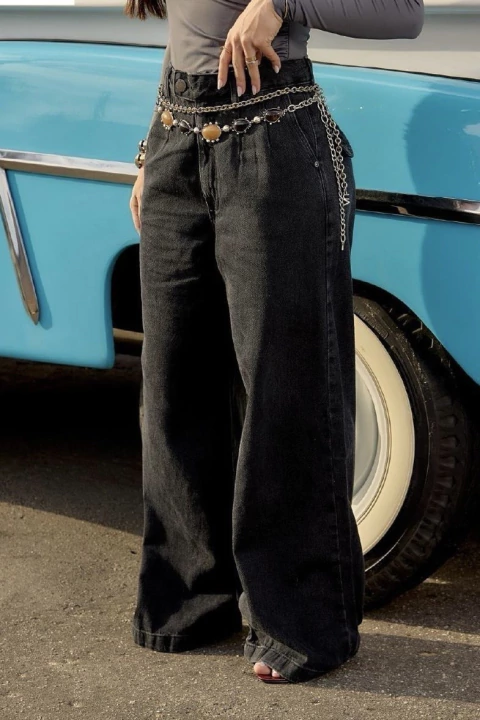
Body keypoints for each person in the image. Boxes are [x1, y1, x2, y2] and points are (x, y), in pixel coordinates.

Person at [126, 0, 424, 684]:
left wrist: (281, 2)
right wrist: (151, 148)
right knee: (173, 388)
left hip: (274, 143)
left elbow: (404, 14)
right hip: (176, 137)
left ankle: (301, 623)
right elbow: (190, 31)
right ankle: (192, 597)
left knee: (285, 394)